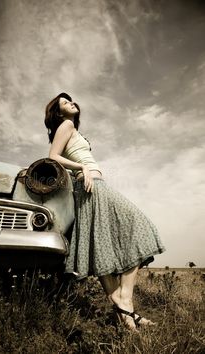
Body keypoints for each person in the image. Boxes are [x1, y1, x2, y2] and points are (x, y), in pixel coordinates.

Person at [44, 92, 165, 330]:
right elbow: (52, 156)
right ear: (59, 113)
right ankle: (125, 297)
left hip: (90, 186)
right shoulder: (66, 124)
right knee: (139, 226)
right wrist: (82, 168)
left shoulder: (72, 129)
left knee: (101, 246)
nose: (72, 103)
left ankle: (127, 318)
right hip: (91, 186)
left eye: (71, 100)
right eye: (65, 103)